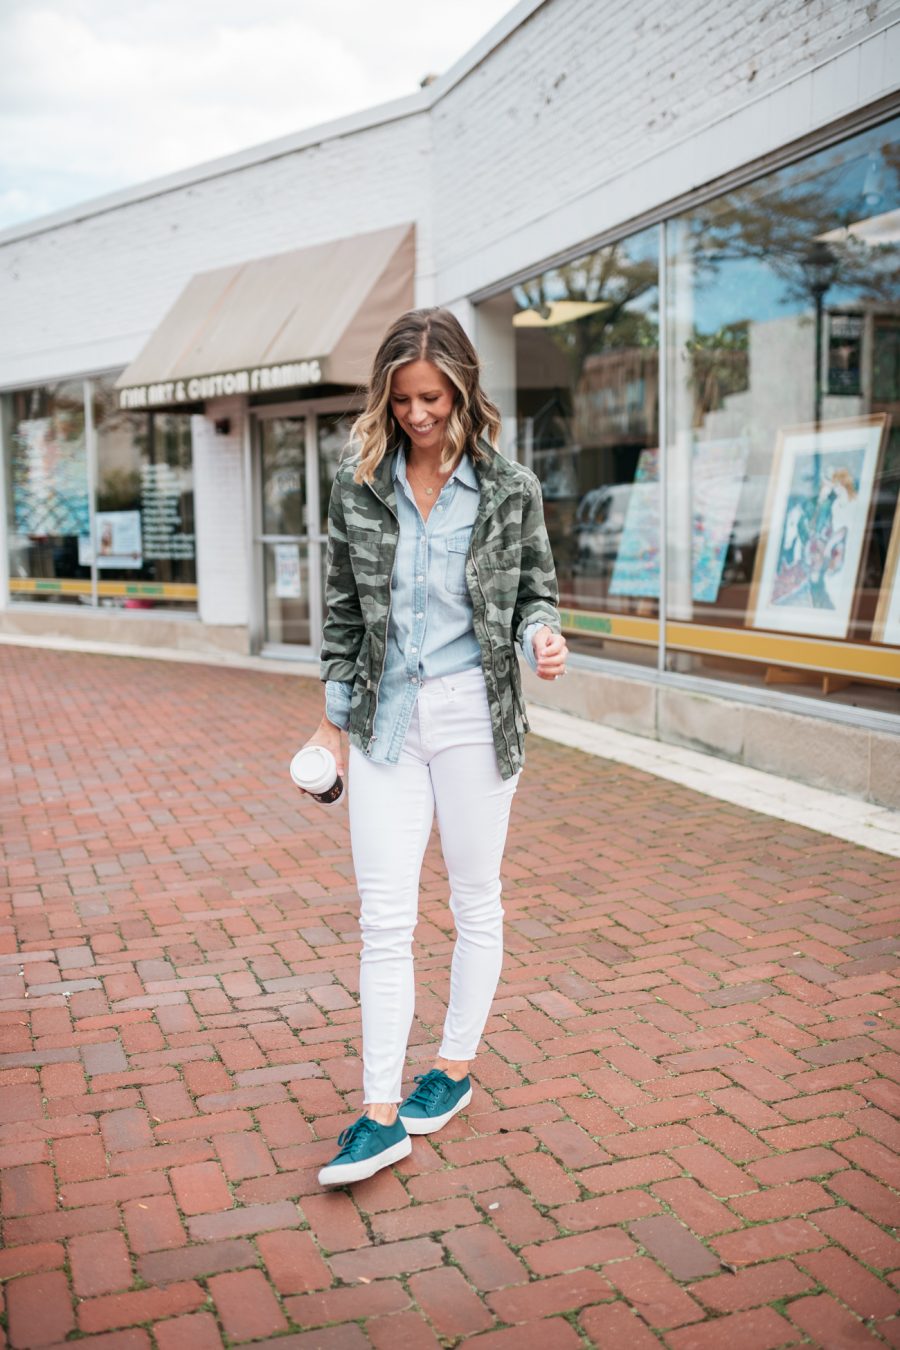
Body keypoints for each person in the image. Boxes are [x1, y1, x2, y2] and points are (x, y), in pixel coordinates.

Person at [301, 307, 567, 1187]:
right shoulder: (358, 486)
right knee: (384, 918)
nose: (419, 414)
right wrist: (330, 722)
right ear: (385, 397)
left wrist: (543, 638)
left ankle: (450, 1069)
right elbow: (341, 613)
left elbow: (535, 593)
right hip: (386, 719)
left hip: (474, 718)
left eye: (434, 396)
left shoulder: (508, 486)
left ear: (462, 389)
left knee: (475, 898)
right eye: (404, 398)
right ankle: (379, 1113)